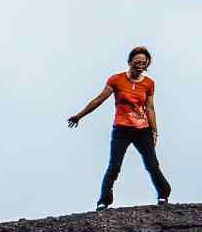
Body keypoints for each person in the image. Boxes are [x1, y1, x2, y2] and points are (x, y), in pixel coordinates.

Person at [68, 46, 170, 209]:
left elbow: (150, 108)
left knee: (152, 164)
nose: (140, 65)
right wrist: (79, 115)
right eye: (137, 62)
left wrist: (154, 131)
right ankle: (104, 201)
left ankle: (164, 193)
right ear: (130, 62)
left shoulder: (149, 84)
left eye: (144, 62)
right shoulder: (116, 80)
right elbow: (99, 99)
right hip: (121, 130)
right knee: (114, 166)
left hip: (142, 130)